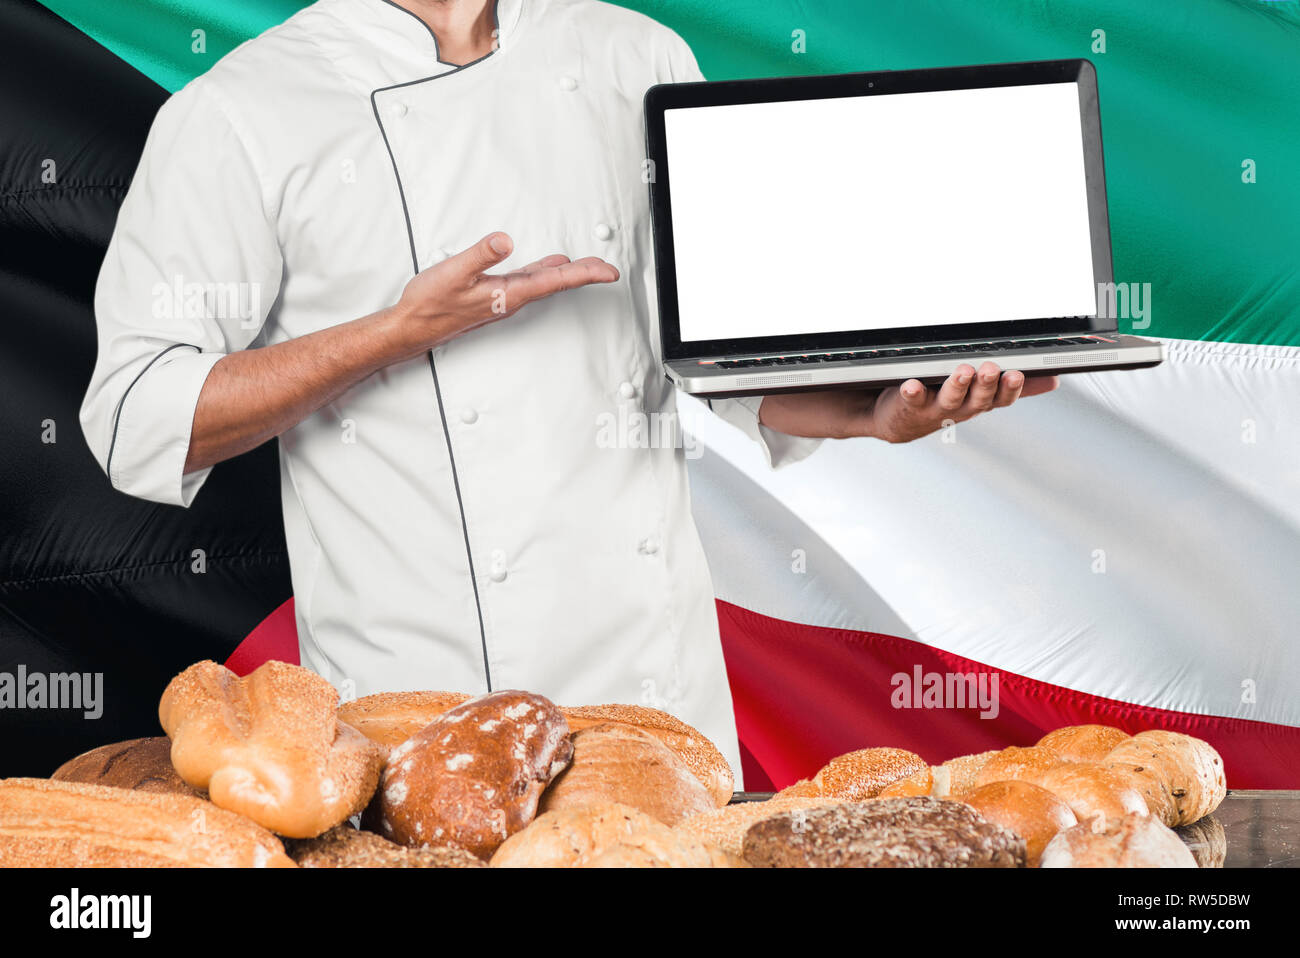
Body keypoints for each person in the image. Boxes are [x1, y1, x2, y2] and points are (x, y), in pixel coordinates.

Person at [80, 0, 1055, 777]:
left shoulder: (639, 56)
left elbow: (707, 358)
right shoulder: (240, 113)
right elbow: (136, 417)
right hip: (420, 735)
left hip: (660, 716)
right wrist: (393, 334)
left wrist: (875, 413)